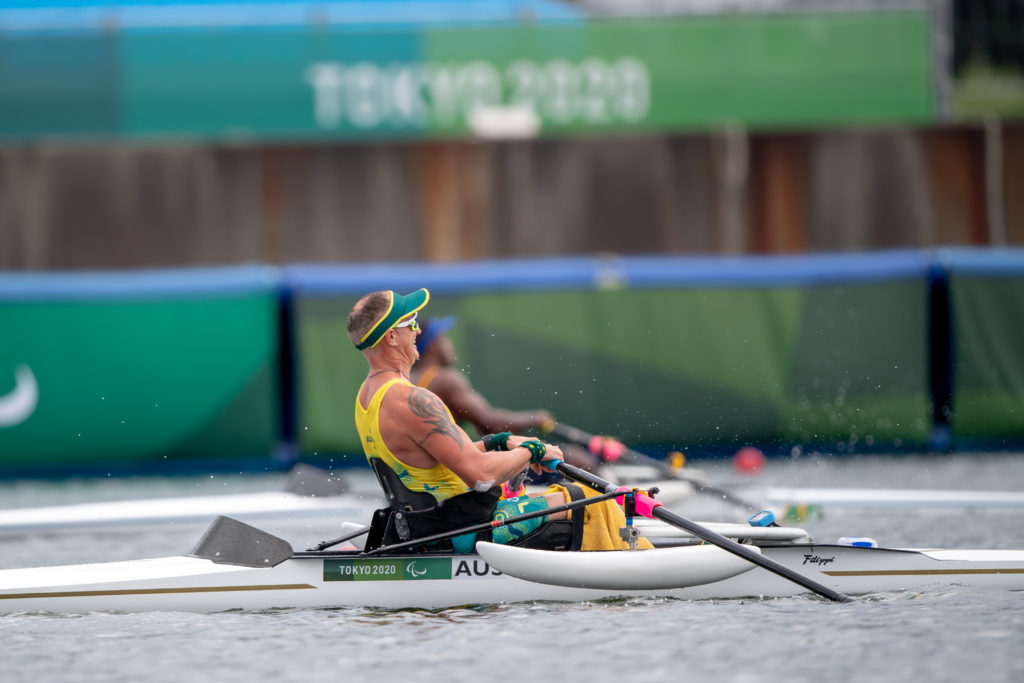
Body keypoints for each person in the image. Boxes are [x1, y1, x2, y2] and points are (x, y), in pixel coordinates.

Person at [347, 288, 649, 554]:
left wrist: (499, 442)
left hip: (426, 529)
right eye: (411, 323)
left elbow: (435, 461)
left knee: (561, 496)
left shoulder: (367, 396)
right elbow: (480, 476)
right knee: (591, 498)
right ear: (391, 337)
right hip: (464, 531)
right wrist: (532, 451)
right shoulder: (413, 400)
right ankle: (631, 569)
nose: (416, 331)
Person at [411, 316, 599, 474]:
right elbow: (491, 422)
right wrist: (534, 418)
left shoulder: (408, 380)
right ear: (433, 346)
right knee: (578, 460)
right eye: (445, 338)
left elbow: (484, 427)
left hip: (430, 469)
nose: (450, 344)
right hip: (456, 472)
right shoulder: (445, 379)